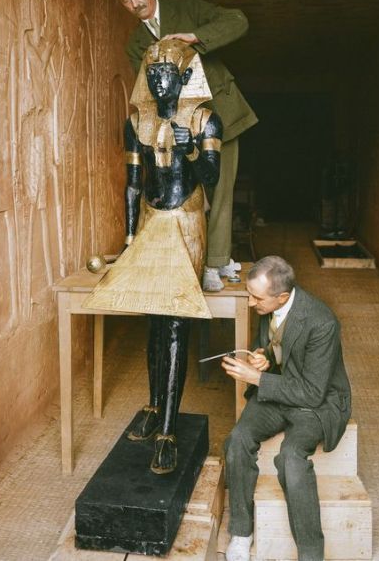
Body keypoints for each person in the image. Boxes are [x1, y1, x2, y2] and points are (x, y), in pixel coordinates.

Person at [84, 37, 222, 474]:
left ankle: (167, 429)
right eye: (154, 74)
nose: (161, 82)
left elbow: (212, 177)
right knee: (152, 316)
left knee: (176, 321)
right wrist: (128, 238)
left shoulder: (204, 118)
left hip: (185, 219)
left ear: (185, 78)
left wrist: (193, 147)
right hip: (149, 218)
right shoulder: (136, 122)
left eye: (169, 75)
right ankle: (153, 402)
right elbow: (131, 182)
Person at [110, 0, 258, 291]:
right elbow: (149, 92)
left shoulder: (187, 8)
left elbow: (239, 21)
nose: (135, 4)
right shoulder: (136, 44)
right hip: (177, 128)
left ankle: (216, 264)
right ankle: (186, 261)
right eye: (125, 1)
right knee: (184, 192)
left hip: (223, 115)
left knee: (220, 190)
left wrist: (195, 37)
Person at [221, 255, 351, 561]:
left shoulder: (322, 321)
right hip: (280, 390)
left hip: (316, 403)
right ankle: (241, 532)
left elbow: (312, 393)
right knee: (237, 440)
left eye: (256, 298)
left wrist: (256, 377)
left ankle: (310, 553)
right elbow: (271, 345)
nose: (251, 303)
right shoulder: (271, 305)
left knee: (291, 458)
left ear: (282, 296)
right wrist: (262, 356)